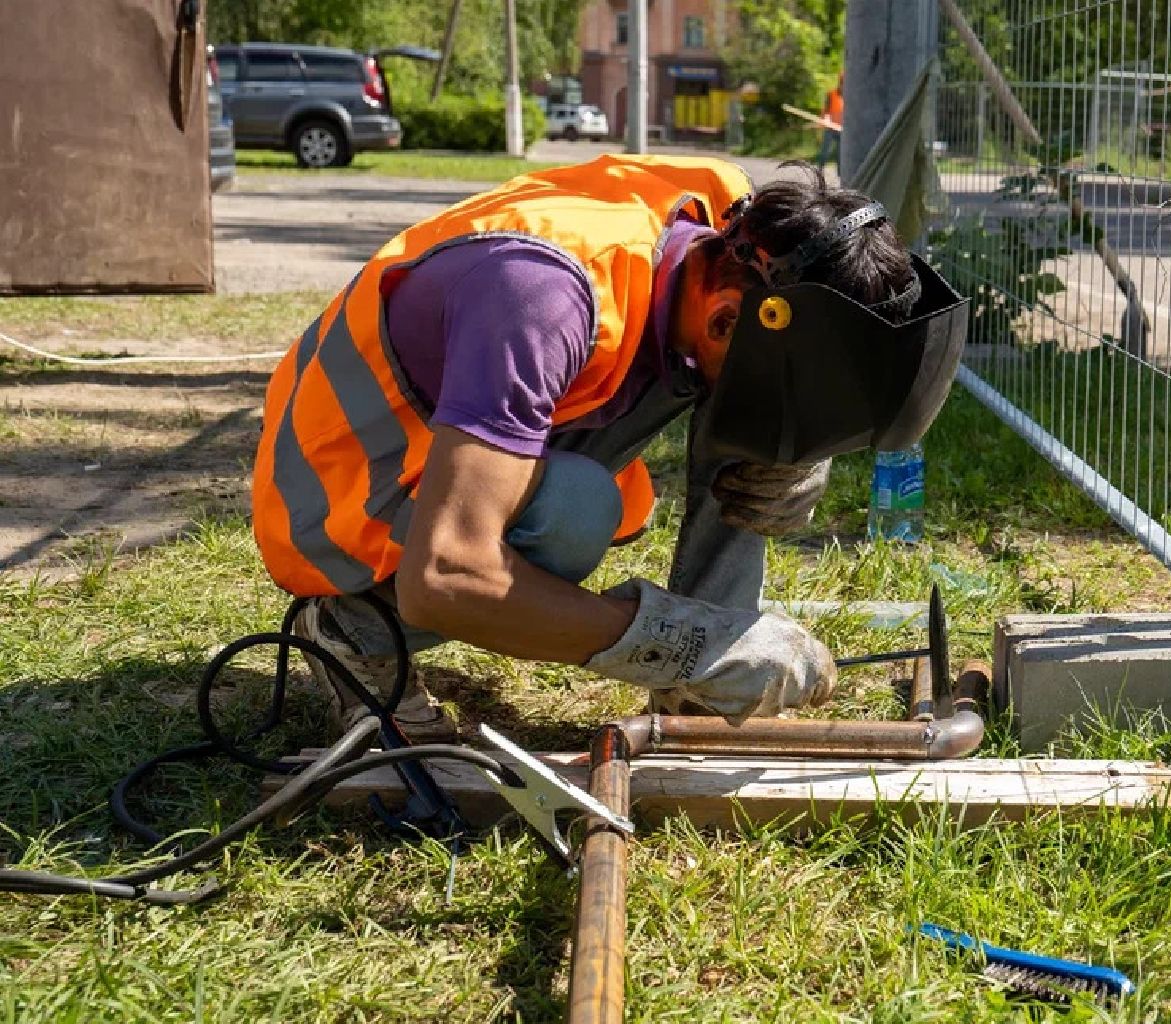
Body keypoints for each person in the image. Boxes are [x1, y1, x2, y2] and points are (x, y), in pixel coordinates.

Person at [250, 154, 965, 741]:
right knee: (574, 512)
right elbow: (446, 575)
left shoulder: (737, 228)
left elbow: (771, 344)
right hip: (340, 490)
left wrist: (797, 449)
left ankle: (701, 693)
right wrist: (681, 643)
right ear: (721, 320)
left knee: (749, 399)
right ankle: (354, 628)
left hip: (459, 419)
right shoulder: (540, 297)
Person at [816, 74, 844, 172]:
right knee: (825, 151)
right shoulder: (831, 94)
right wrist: (824, 121)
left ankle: (841, 175)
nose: (843, 86)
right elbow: (826, 110)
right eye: (842, 83)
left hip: (842, 130)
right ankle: (819, 170)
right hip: (830, 128)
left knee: (841, 154)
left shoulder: (851, 98)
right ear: (840, 83)